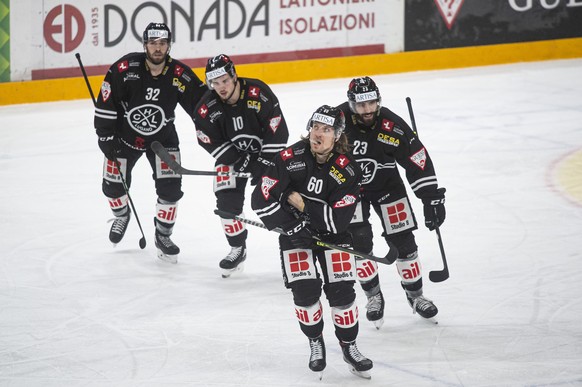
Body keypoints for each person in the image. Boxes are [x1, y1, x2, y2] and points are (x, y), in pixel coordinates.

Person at [251, 105, 373, 379]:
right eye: (315, 127)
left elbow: (337, 222)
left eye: (326, 130)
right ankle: (315, 342)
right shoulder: (288, 157)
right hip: (295, 237)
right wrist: (292, 226)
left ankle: (349, 346)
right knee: (305, 295)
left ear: (337, 135)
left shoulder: (349, 170)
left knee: (342, 296)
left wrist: (299, 201)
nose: (318, 134)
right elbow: (260, 200)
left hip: (334, 239)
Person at [337, 76, 446, 328]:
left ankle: (416, 296)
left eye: (371, 103)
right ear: (351, 103)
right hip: (350, 192)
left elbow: (417, 158)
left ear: (378, 100)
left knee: (404, 241)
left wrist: (431, 198)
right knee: (359, 245)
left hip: (388, 188)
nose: (367, 110)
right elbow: (318, 152)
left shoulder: (392, 124)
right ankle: (373, 296)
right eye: (361, 105)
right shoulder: (338, 121)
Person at [94, 22, 206, 264]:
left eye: (162, 43)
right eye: (153, 43)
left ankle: (163, 236)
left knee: (171, 189)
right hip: (124, 138)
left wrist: (218, 132)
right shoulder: (125, 68)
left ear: (169, 45)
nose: (158, 48)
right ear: (145, 44)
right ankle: (122, 215)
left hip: (162, 140)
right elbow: (106, 101)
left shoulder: (180, 75)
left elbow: (203, 107)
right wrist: (105, 136)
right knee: (113, 186)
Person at [193, 54, 289, 278]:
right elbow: (206, 137)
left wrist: (262, 162)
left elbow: (278, 131)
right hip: (233, 159)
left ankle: (297, 245)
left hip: (269, 155)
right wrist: (238, 159)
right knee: (226, 201)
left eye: (224, 80)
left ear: (234, 75)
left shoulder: (259, 93)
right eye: (215, 83)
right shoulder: (207, 106)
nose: (221, 87)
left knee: (284, 199)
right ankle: (238, 247)